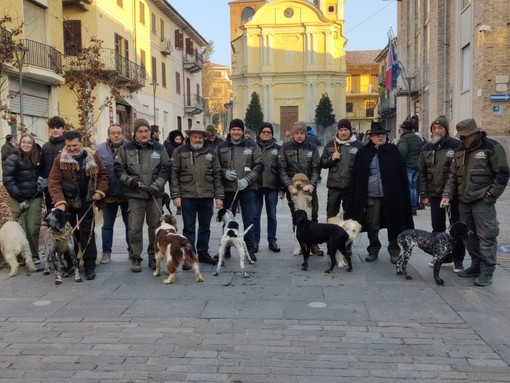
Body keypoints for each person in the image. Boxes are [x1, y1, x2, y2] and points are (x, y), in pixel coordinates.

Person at [441, 118, 509, 286]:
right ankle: (475, 265)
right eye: (460, 137)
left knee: (487, 235)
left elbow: (502, 174)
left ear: (475, 133)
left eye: (465, 137)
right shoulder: (459, 150)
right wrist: (447, 194)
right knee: (468, 236)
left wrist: (490, 196)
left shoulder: (491, 147)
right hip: (464, 200)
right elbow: (452, 175)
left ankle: (487, 271)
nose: (462, 140)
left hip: (482, 200)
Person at [346, 121, 414, 264]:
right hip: (372, 196)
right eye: (377, 135)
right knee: (372, 225)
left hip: (392, 195)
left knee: (394, 223)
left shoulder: (393, 151)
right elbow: (357, 177)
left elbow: (401, 174)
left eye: (383, 134)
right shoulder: (363, 152)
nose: (381, 137)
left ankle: (394, 251)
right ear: (371, 137)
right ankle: (373, 250)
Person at [48, 130, 109, 280]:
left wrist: (100, 191)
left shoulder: (92, 156)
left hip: (87, 200)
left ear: (81, 142)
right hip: (67, 203)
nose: (72, 148)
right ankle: (70, 264)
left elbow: (103, 175)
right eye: (68, 146)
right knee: (69, 235)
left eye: (75, 145)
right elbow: (53, 182)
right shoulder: (59, 159)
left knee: (87, 233)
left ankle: (89, 265)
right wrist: (60, 202)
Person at [114, 118, 171, 272]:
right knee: (134, 228)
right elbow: (118, 169)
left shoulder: (159, 148)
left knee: (155, 228)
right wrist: (130, 180)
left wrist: (156, 186)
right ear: (135, 133)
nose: (144, 134)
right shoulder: (125, 148)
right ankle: (135, 257)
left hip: (155, 195)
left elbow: (166, 169)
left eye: (146, 131)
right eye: (140, 131)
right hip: (134, 195)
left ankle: (154, 257)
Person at [170, 124, 224, 265]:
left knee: (205, 227)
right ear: (189, 137)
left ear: (204, 138)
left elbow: (218, 175)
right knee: (189, 228)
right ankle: (189, 256)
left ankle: (203, 253)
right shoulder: (179, 152)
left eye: (200, 137)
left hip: (206, 195)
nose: (198, 140)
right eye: (195, 137)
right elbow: (174, 174)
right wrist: (175, 195)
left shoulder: (211, 153)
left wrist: (219, 196)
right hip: (187, 196)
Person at [418, 115, 465, 272]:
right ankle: (440, 256)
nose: (437, 130)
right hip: (434, 193)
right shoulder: (426, 148)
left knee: (456, 227)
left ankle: (457, 259)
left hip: (453, 195)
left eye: (440, 128)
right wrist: (424, 194)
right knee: (437, 227)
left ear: (446, 130)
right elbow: (422, 173)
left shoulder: (456, 146)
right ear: (431, 130)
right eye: (434, 128)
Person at [216, 118, 264, 261]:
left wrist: (247, 180)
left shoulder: (252, 146)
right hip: (229, 189)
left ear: (243, 131)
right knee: (227, 220)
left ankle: (250, 248)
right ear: (229, 131)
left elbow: (260, 165)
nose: (236, 132)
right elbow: (215, 166)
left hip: (248, 189)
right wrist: (224, 173)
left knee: (249, 219)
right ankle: (226, 250)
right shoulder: (221, 147)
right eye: (233, 130)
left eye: (239, 130)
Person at [278, 121, 323, 256]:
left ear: (305, 134)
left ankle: (314, 244)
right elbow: (281, 169)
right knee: (297, 216)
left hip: (308, 188)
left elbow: (316, 168)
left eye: (302, 133)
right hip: (293, 189)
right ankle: (299, 244)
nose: (299, 136)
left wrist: (312, 184)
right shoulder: (285, 148)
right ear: (293, 134)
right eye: (296, 133)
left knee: (313, 215)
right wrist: (288, 185)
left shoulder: (313, 148)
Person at [3, 133, 43, 264]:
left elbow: (43, 172)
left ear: (33, 145)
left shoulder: (38, 157)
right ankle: (22, 256)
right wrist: (20, 199)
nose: (26, 144)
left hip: (34, 197)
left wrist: (43, 181)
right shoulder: (13, 159)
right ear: (20, 144)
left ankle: (34, 255)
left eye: (29, 142)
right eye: (24, 142)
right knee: (21, 228)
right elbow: (8, 180)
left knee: (33, 227)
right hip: (18, 198)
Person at [94, 124, 130, 264]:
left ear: (123, 134)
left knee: (130, 226)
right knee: (107, 225)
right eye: (113, 133)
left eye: (119, 133)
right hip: (108, 195)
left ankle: (132, 251)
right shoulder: (98, 149)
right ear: (108, 135)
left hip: (127, 193)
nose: (116, 135)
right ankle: (106, 252)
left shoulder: (130, 147)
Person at [320, 118, 363, 220]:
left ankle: (347, 235)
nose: (343, 132)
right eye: (341, 130)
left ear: (350, 131)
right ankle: (331, 234)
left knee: (349, 215)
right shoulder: (330, 145)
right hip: (334, 185)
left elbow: (363, 166)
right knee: (331, 214)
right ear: (338, 131)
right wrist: (332, 158)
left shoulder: (358, 145)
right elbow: (322, 163)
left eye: (346, 130)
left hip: (350, 186)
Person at [253, 122, 281, 253]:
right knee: (255, 216)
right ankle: (255, 242)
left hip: (272, 186)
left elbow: (281, 168)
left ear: (272, 134)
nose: (266, 134)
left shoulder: (277, 148)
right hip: (256, 186)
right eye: (263, 132)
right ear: (259, 134)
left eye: (268, 132)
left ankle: (272, 241)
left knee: (272, 216)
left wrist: (282, 188)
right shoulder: (253, 146)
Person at [397, 117, 425, 215]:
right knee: (413, 187)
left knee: (408, 187)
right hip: (417, 166)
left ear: (403, 129)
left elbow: (402, 152)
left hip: (408, 166)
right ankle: (413, 206)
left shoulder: (404, 139)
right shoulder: (418, 139)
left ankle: (409, 207)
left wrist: (400, 164)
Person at [41, 116, 67, 212]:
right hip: (49, 188)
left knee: (66, 216)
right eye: (52, 127)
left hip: (65, 187)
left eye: (58, 127)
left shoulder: (68, 145)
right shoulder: (45, 147)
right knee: (52, 215)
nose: (55, 130)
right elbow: (42, 167)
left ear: (63, 129)